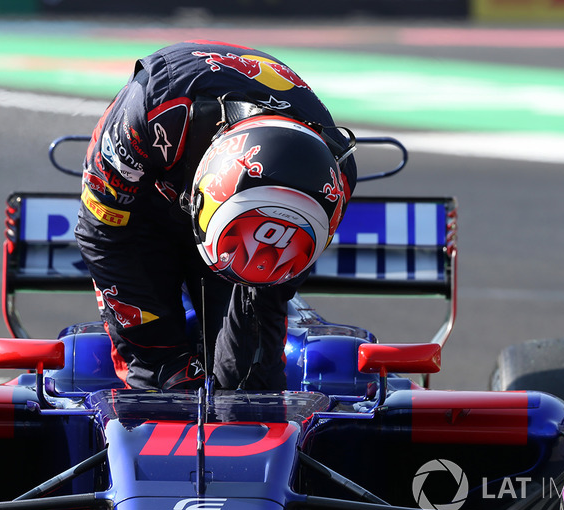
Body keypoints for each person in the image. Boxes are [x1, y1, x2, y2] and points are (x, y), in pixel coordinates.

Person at [74, 41, 357, 391]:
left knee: (250, 382)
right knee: (162, 377)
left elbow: (268, 293)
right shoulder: (150, 116)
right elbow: (102, 233)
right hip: (141, 209)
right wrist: (162, 357)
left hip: (241, 242)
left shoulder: (336, 180)